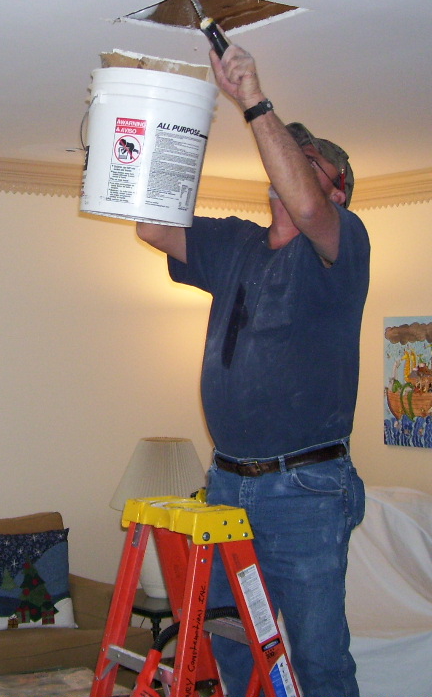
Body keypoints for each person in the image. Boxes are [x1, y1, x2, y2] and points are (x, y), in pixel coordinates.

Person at [136, 42, 370, 697]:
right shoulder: (234, 243)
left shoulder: (343, 244)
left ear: (337, 185)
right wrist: (161, 129)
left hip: (307, 488)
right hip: (229, 483)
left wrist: (255, 102)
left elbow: (311, 210)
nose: (293, 162)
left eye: (309, 158)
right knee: (231, 643)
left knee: (320, 659)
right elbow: (155, 231)